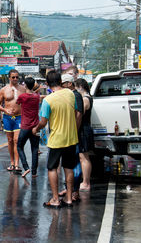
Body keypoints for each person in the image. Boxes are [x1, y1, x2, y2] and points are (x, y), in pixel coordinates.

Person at [33, 71, 79, 208]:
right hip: (71, 138)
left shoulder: (48, 100)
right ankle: (69, 198)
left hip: (56, 139)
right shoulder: (71, 94)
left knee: (52, 168)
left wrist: (35, 129)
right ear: (60, 81)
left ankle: (55, 199)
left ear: (47, 84)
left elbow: (43, 122)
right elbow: (76, 112)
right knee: (69, 168)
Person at [59, 73, 84, 201]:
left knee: (75, 164)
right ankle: (68, 188)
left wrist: (74, 130)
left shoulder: (76, 95)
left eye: (63, 84)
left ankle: (75, 190)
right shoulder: (67, 95)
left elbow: (79, 114)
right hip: (67, 135)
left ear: (69, 84)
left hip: (73, 134)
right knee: (67, 163)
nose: (61, 87)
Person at [0, 69, 25, 172]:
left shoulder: (23, 89)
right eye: (13, 77)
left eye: (17, 77)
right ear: (9, 78)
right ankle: (12, 163)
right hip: (8, 117)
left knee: (17, 140)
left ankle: (17, 164)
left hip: (19, 117)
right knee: (10, 140)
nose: (15, 79)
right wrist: (5, 110)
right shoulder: (4, 90)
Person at [16, 77, 40, 178]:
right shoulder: (37, 97)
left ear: (25, 85)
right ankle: (34, 172)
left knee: (19, 146)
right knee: (35, 149)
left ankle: (26, 167)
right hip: (36, 126)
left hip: (25, 126)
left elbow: (17, 102)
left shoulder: (23, 97)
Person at [75, 78, 94, 191]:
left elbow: (80, 115)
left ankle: (86, 182)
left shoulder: (85, 99)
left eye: (76, 88)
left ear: (81, 87)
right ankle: (84, 180)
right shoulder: (87, 97)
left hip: (83, 129)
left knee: (84, 157)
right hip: (85, 129)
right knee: (83, 156)